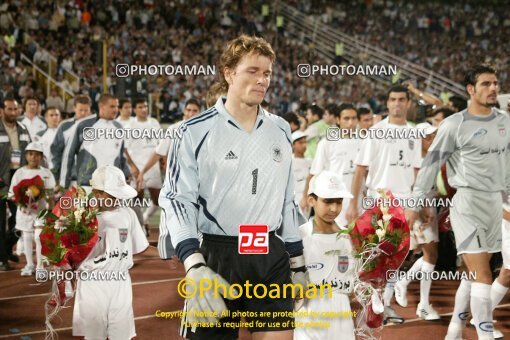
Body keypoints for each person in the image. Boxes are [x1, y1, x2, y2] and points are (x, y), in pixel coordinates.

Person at [159, 35, 306, 339]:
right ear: (228, 73)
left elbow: (287, 200)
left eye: (266, 73)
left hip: (269, 252)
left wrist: (299, 262)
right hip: (217, 256)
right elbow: (177, 200)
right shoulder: (192, 131)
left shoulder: (281, 129)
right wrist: (193, 264)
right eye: (252, 71)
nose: (262, 80)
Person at [406, 64, 510, 340]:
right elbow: (430, 167)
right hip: (467, 204)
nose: (493, 88)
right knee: (484, 274)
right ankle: (484, 334)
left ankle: (454, 329)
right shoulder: (454, 124)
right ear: (470, 90)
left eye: (496, 83)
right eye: (486, 84)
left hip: (496, 203)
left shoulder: (505, 122)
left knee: (473, 273)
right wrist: (414, 205)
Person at [346, 85, 422, 324]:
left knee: (398, 256)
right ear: (387, 103)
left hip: (405, 200)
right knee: (376, 255)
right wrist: (352, 204)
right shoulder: (376, 132)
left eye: (401, 99)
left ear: (408, 103)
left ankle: (383, 303)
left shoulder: (414, 134)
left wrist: (419, 205)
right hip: (379, 199)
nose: (397, 103)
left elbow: (417, 171)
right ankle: (373, 301)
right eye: (392, 99)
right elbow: (360, 170)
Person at [72, 165, 149, 339]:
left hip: (121, 282)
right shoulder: (82, 218)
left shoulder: (127, 214)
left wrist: (167, 254)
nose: (118, 198)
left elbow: (140, 247)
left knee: (121, 335)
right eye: (113, 194)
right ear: (97, 192)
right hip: (93, 283)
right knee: (94, 335)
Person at [294, 171, 356, 340]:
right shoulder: (298, 237)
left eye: (339, 201)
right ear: (311, 200)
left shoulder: (348, 237)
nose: (334, 208)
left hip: (342, 321)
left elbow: (354, 284)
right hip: (308, 321)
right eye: (328, 201)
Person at [394, 122, 440, 320]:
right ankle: (422, 303)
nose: (431, 139)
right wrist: (419, 211)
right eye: (427, 136)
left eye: (432, 135)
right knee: (431, 253)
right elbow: (413, 187)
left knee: (430, 254)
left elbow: (433, 187)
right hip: (419, 210)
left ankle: (405, 283)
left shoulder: (432, 158)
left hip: (429, 208)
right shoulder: (414, 161)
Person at [61, 94, 130, 189]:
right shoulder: (84, 125)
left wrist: (126, 175)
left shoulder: (119, 127)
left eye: (117, 106)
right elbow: (69, 154)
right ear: (102, 107)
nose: (116, 110)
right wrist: (63, 183)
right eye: (112, 106)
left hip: (112, 185)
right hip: (88, 184)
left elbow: (121, 156)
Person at [8, 142, 55, 275]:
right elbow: (13, 194)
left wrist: (50, 211)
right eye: (30, 154)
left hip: (41, 211)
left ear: (41, 157)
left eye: (37, 154)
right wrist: (21, 204)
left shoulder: (46, 173)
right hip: (25, 212)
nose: (33, 157)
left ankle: (40, 266)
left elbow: (51, 194)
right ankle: (29, 265)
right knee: (27, 236)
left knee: (39, 237)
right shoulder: (19, 172)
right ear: (26, 155)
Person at [0, 98, 31, 271]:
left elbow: (32, 150)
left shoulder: (23, 129)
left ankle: (3, 250)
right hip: (0, 179)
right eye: (10, 109)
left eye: (16, 109)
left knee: (19, 218)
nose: (13, 112)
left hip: (18, 178)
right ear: (2, 110)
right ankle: (2, 258)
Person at [125, 98, 161, 234]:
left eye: (145, 106)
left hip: (153, 167)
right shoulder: (130, 125)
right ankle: (139, 227)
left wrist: (163, 161)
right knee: (137, 199)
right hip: (137, 167)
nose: (144, 109)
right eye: (140, 107)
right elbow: (125, 149)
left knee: (158, 200)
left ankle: (145, 217)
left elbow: (161, 145)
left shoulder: (154, 123)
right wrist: (132, 167)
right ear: (135, 109)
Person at [50, 95, 92, 186]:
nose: (84, 113)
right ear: (74, 108)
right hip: (70, 178)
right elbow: (56, 153)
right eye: (81, 110)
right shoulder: (65, 126)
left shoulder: (96, 127)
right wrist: (56, 176)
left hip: (90, 178)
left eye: (86, 110)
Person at [291, 131, 311, 215]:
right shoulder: (289, 162)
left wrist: (305, 198)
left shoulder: (311, 162)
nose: (304, 145)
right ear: (293, 145)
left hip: (308, 199)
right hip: (294, 199)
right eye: (300, 142)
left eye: (305, 142)